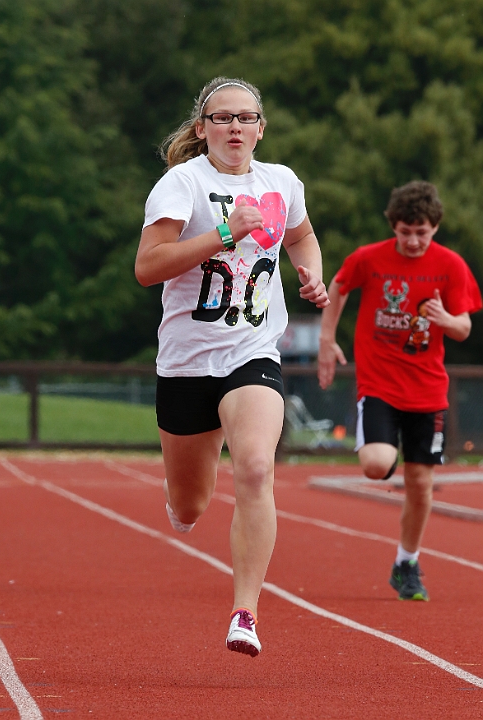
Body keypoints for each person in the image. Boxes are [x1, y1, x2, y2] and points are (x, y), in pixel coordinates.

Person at [135, 76, 329, 655]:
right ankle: (185, 491)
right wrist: (223, 232)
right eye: (222, 118)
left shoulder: (282, 183)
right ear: (203, 129)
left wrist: (310, 271)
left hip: (251, 351)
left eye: (246, 118)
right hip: (188, 361)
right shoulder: (181, 184)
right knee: (190, 504)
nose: (235, 127)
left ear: (261, 128)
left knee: (256, 469)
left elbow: (302, 236)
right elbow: (148, 267)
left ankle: (245, 612)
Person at [318, 181, 482, 601]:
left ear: (435, 228)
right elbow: (338, 287)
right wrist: (327, 338)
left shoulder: (451, 265)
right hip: (379, 383)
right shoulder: (369, 258)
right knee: (376, 465)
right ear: (393, 226)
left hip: (427, 390)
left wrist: (445, 318)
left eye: (421, 232)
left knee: (421, 484)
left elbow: (464, 328)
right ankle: (383, 447)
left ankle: (406, 562)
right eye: (404, 231)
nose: (412, 240)